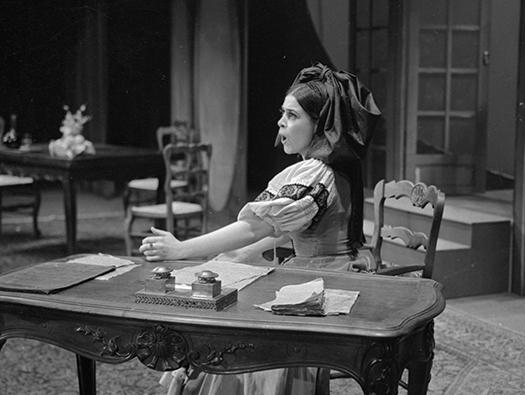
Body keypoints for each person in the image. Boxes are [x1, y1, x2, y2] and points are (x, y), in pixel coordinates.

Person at [142, 62, 381, 395]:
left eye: (293, 116)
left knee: (242, 338)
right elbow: (279, 231)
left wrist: (182, 249)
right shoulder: (328, 166)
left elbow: (256, 228)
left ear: (320, 124)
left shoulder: (315, 173)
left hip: (325, 277)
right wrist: (230, 257)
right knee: (231, 280)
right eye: (282, 113)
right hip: (325, 268)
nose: (281, 122)